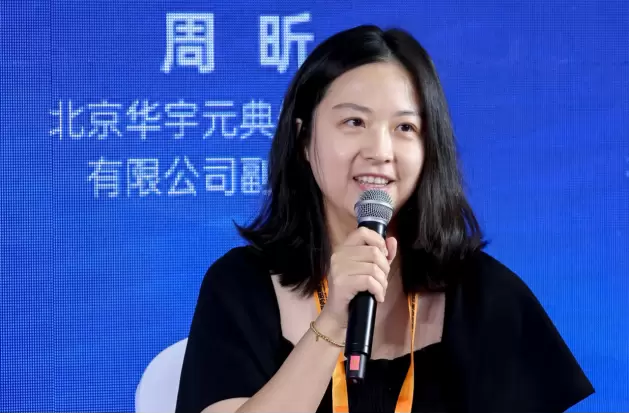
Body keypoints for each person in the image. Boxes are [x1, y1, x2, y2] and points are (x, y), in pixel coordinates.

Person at [175, 25, 594, 413]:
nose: (380, 150)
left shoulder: (485, 296)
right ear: (303, 138)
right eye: (354, 122)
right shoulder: (241, 286)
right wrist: (332, 322)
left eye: (405, 128)